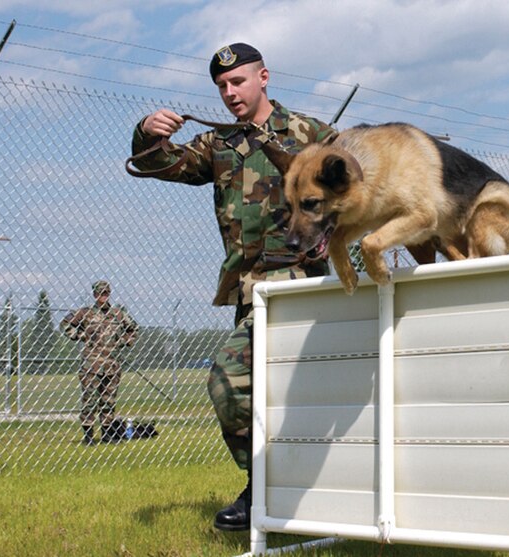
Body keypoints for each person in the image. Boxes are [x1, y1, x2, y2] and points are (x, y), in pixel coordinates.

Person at [129, 42, 338, 531]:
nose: (229, 93)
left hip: (300, 284)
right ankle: (274, 488)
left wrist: (330, 236)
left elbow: (355, 188)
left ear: (263, 77)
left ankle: (273, 490)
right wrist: (145, 133)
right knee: (246, 393)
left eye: (237, 81)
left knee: (233, 382)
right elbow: (160, 165)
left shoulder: (313, 134)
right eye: (221, 86)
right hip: (248, 291)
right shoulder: (219, 145)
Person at [60, 280, 139, 445]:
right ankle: (88, 437)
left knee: (108, 402)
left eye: (105, 293)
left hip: (112, 364)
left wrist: (123, 341)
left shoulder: (117, 314)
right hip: (91, 364)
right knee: (89, 400)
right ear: (94, 295)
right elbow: (65, 324)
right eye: (99, 293)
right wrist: (79, 336)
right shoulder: (85, 313)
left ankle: (107, 435)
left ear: (109, 294)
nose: (102, 296)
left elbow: (134, 329)